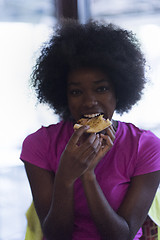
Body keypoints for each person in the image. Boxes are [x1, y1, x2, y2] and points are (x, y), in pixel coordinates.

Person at [20, 20, 160, 240]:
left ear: (119, 91)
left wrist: (88, 175)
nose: (89, 102)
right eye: (76, 92)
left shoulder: (146, 146)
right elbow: (56, 236)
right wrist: (66, 178)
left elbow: (122, 236)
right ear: (64, 96)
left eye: (101, 89)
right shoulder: (39, 145)